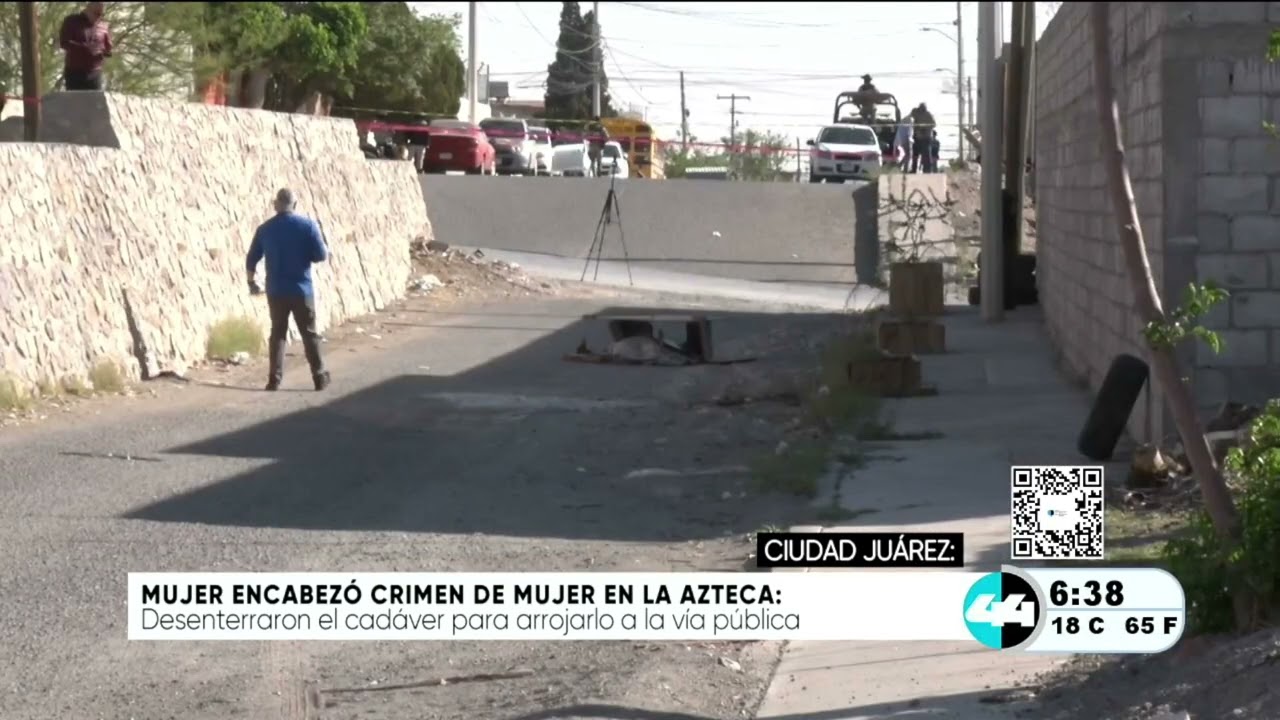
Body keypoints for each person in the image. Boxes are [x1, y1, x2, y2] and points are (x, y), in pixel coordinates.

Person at [246, 189, 331, 392]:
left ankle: (274, 380)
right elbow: (321, 256)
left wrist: (251, 282)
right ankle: (319, 376)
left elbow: (251, 258)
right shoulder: (308, 226)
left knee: (278, 334)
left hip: (276, 291)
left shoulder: (265, 229)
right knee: (309, 334)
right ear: (295, 204)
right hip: (302, 290)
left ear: (276, 204)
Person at [59, 2, 112, 91]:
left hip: (95, 73)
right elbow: (64, 42)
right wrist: (86, 48)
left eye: (101, 14)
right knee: (76, 99)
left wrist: (104, 51)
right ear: (88, 9)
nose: (99, 17)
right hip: (75, 72)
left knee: (95, 99)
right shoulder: (72, 21)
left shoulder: (103, 26)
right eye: (97, 13)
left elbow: (108, 48)